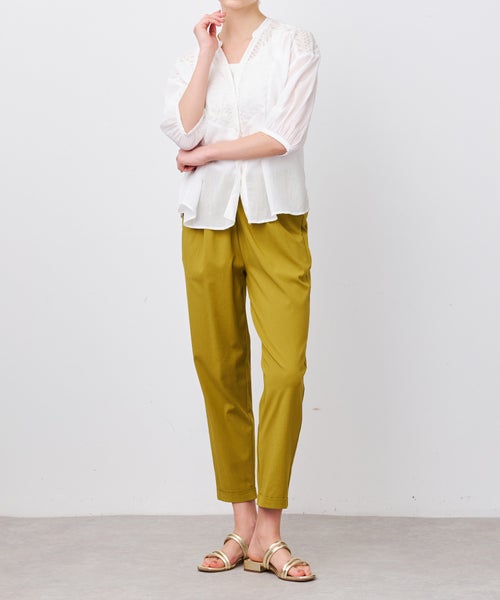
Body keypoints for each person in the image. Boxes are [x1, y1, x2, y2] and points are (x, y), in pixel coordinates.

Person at [160, 0, 320, 583]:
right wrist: (206, 52)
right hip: (206, 219)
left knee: (285, 371)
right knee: (219, 367)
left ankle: (270, 532)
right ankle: (243, 525)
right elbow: (182, 128)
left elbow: (282, 135)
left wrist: (206, 153)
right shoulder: (191, 58)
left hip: (276, 217)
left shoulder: (295, 45)